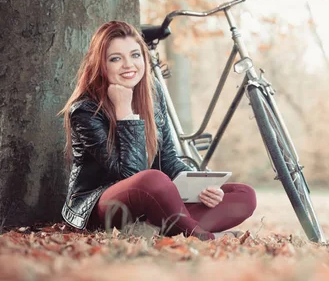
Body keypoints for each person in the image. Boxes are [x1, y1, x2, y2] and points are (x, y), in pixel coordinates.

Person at [59, 21, 256, 240]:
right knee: (154, 180)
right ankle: (205, 237)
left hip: (151, 203)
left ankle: (158, 228)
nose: (129, 65)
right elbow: (132, 177)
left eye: (135, 55)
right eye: (116, 58)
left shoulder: (153, 93)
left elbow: (168, 158)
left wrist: (200, 186)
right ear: (101, 65)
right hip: (100, 206)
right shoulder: (85, 110)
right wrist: (125, 112)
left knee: (243, 195)